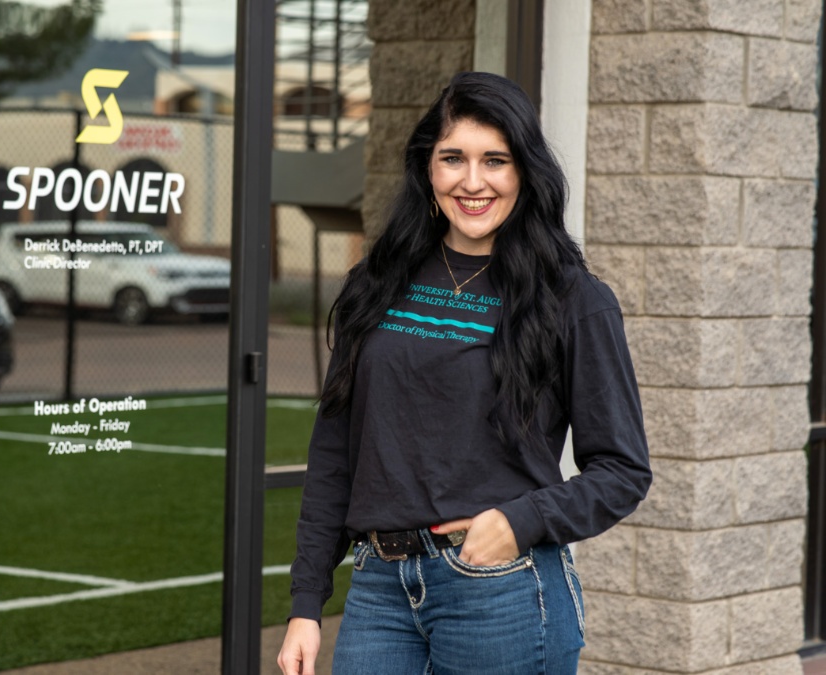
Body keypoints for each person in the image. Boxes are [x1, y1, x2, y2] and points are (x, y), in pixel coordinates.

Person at [277, 71, 652, 675]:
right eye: (453, 158)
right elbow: (335, 455)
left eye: (494, 161)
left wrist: (518, 520)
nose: (472, 182)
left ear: (524, 173)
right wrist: (305, 604)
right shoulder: (377, 284)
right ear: (428, 169)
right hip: (379, 590)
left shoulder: (572, 298)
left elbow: (623, 470)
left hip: (499, 589)